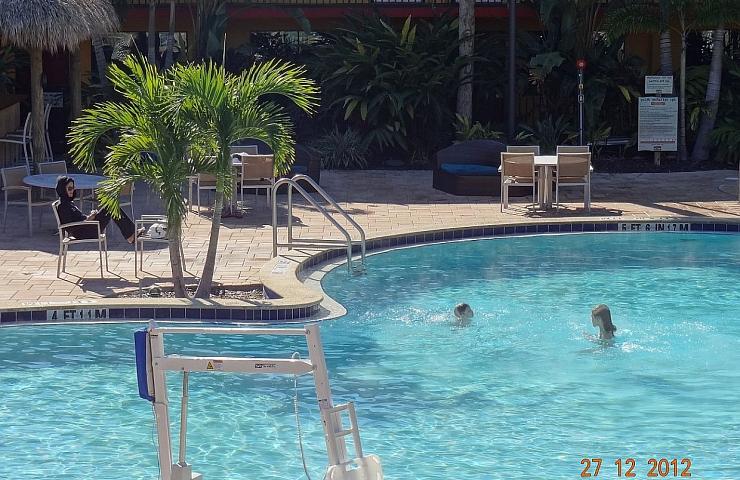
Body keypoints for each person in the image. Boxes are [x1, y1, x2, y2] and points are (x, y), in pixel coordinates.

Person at [55, 175, 143, 243]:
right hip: (85, 232)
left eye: (73, 188)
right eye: (69, 188)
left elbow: (78, 219)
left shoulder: (68, 202)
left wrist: (90, 216)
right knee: (110, 206)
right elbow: (70, 228)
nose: (72, 191)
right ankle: (130, 235)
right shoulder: (63, 206)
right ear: (62, 189)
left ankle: (130, 234)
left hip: (88, 227)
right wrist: (88, 219)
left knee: (111, 205)